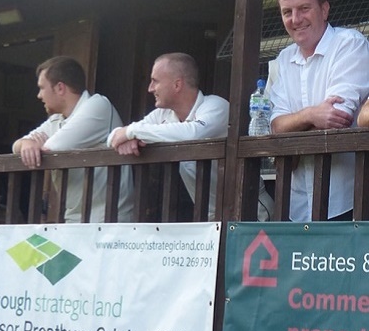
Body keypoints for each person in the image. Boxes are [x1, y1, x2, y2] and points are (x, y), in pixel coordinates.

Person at [107, 52, 274, 221]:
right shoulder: (162, 114)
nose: (150, 88)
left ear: (177, 85)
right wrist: (127, 134)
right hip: (210, 216)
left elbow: (193, 133)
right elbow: (113, 138)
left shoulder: (216, 106)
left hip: (251, 210)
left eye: (155, 81)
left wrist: (132, 132)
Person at [269, 0, 369, 221]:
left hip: (346, 199)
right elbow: (275, 126)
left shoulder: (349, 43)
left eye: (304, 9)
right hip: (296, 203)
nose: (295, 19)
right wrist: (311, 115)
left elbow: (339, 117)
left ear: (324, 10)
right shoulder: (283, 58)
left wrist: (292, 124)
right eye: (287, 12)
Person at [12, 56, 134, 223]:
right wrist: (27, 143)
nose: (39, 95)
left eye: (42, 88)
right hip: (76, 219)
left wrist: (37, 145)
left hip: (109, 221)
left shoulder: (98, 105)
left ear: (60, 88)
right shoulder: (57, 119)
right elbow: (16, 145)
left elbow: (53, 148)